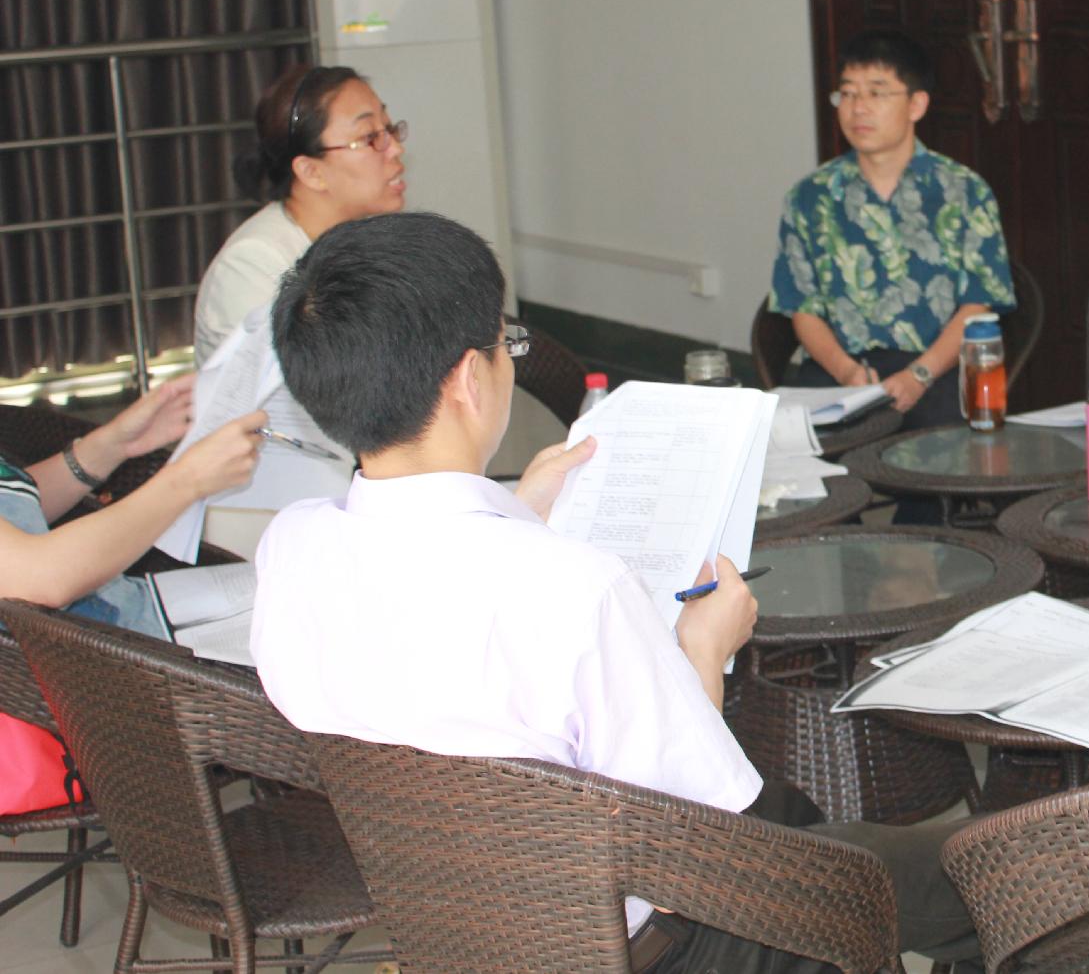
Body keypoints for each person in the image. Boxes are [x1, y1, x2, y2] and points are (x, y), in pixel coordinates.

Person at [251, 212, 978, 973]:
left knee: (795, 814)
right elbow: (684, 834)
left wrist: (517, 512)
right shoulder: (577, 587)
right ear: (469, 377)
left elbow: (429, 638)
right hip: (640, 944)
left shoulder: (293, 545)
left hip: (454, 928)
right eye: (505, 344)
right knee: (970, 871)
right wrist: (704, 650)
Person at [1, 379, 264, 811]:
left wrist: (108, 447)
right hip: (96, 680)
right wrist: (185, 481)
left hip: (112, 628)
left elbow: (12, 519)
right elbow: (36, 580)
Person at [768, 30, 1015, 429]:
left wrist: (919, 375)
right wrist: (847, 372)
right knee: (791, 446)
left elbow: (978, 304)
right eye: (847, 94)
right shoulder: (809, 197)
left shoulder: (963, 191)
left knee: (939, 451)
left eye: (876, 93)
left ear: (916, 104)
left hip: (935, 369)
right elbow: (802, 308)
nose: (858, 108)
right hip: (839, 371)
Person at [192, 64, 408, 363]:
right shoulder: (253, 266)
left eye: (390, 129)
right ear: (311, 172)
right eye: (370, 136)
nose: (395, 148)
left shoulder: (376, 241)